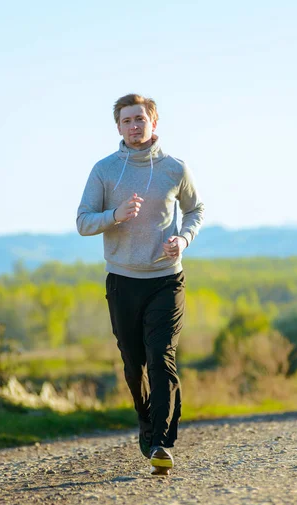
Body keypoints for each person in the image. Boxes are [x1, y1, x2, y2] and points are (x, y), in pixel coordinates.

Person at [77, 93, 204, 474]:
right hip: (122, 281)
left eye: (140, 119)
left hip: (166, 279)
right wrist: (115, 215)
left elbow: (195, 209)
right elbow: (83, 221)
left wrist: (182, 238)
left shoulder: (174, 168)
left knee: (161, 357)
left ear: (154, 121)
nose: (134, 126)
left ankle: (162, 443)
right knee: (135, 366)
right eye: (127, 121)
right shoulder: (104, 170)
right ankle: (146, 423)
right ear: (118, 127)